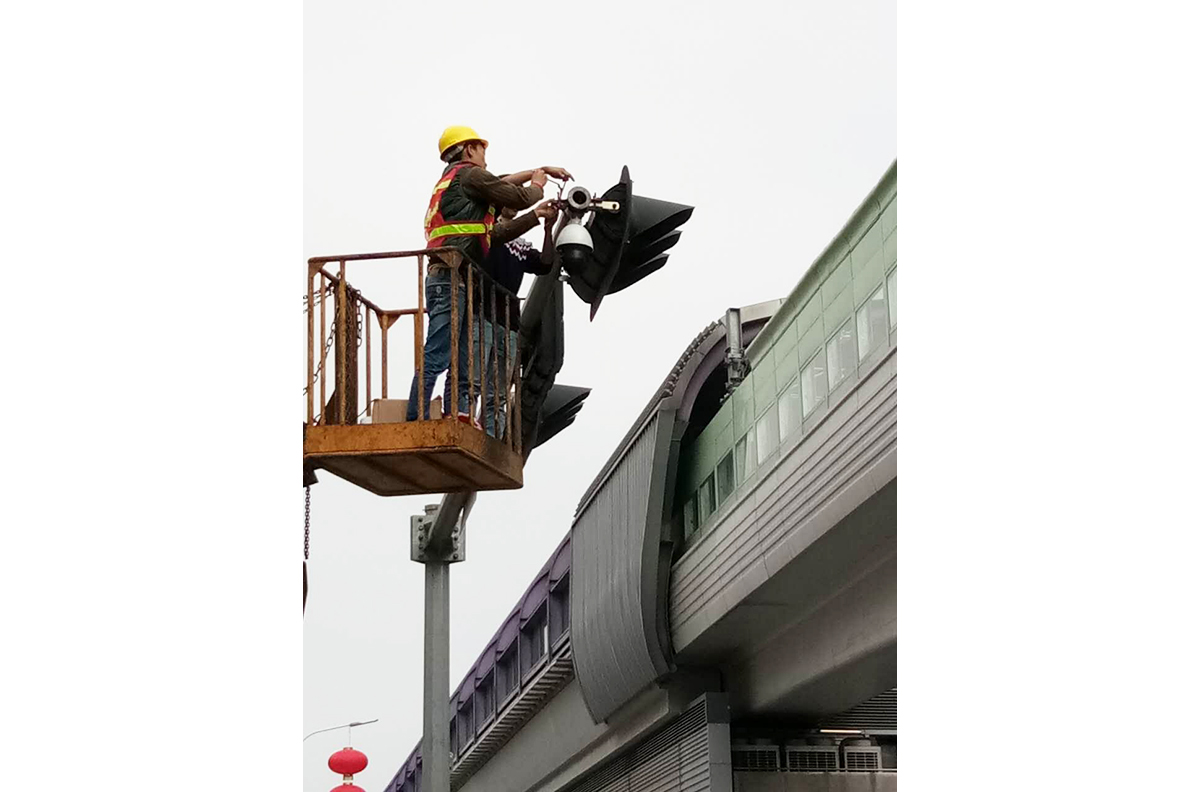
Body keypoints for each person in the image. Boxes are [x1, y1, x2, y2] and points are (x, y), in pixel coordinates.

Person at [406, 125, 570, 424]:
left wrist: (540, 176)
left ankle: (450, 414)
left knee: (458, 355)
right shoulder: (470, 175)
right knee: (439, 352)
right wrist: (537, 185)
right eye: (482, 149)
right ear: (469, 149)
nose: (485, 157)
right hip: (449, 276)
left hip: (456, 277)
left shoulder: (457, 181)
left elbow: (499, 226)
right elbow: (518, 195)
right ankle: (416, 418)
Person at [473, 200, 560, 438]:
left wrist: (548, 229)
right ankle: (466, 425)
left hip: (509, 323)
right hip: (482, 315)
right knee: (474, 380)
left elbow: (545, 263)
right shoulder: (486, 229)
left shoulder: (520, 245)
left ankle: (492, 439)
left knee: (499, 392)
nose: (513, 204)